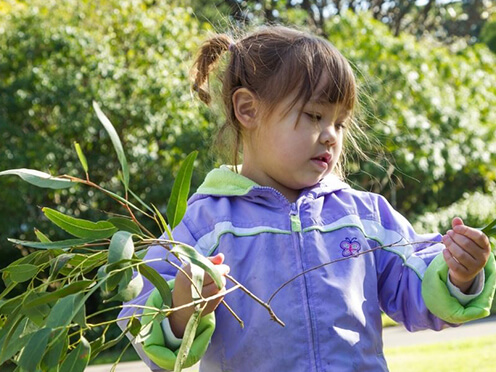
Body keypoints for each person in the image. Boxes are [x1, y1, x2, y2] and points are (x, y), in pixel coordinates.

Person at [119, 25, 496, 372]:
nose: (331, 135)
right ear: (248, 110)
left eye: (340, 123)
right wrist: (182, 309)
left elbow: (413, 285)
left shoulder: (363, 215)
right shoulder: (207, 224)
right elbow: (144, 322)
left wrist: (459, 275)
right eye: (315, 115)